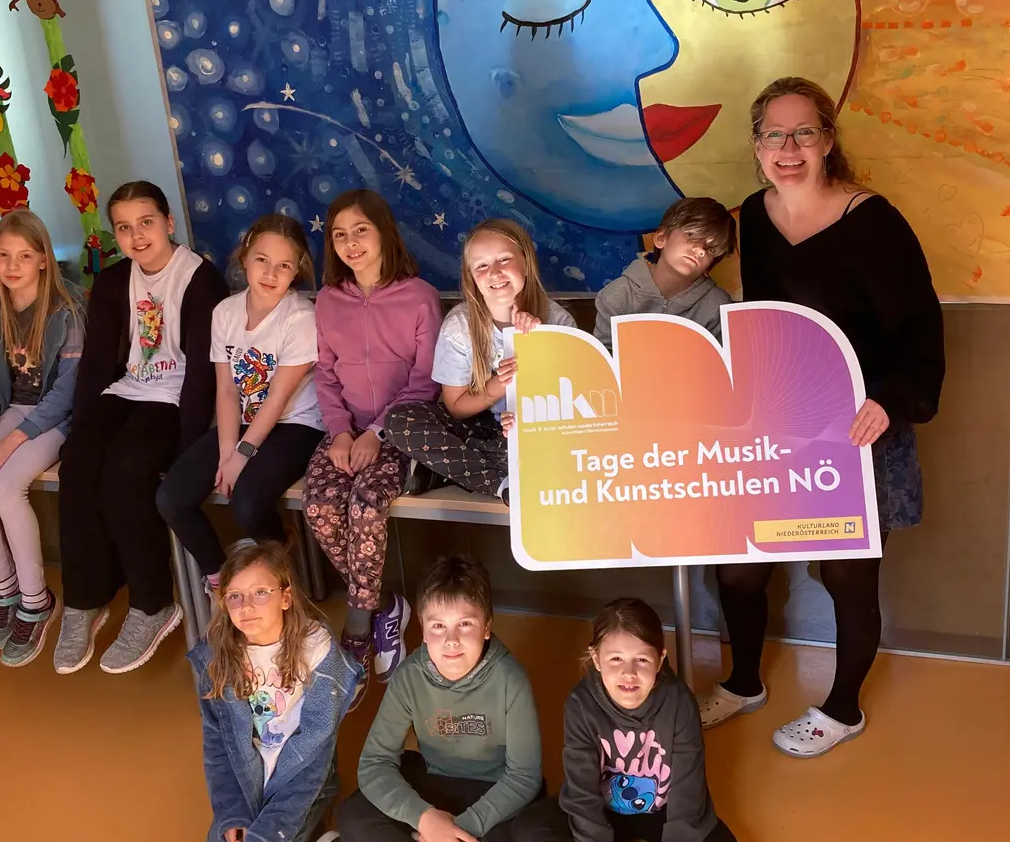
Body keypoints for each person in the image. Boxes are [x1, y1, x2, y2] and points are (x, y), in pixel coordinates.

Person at [698, 75, 945, 756]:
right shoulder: (754, 217)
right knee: (741, 567)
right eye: (774, 135)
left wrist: (891, 402)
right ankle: (744, 682)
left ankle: (843, 709)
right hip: (781, 421)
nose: (789, 148)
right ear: (757, 146)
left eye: (803, 132)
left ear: (828, 140)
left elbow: (920, 330)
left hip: (861, 425)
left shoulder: (875, 222)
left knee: (846, 574)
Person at [303, 556, 540, 842]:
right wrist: (425, 819)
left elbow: (524, 777)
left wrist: (461, 827)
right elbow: (375, 763)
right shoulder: (410, 677)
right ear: (423, 630)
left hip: (493, 794)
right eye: (437, 627)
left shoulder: (511, 680)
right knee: (353, 815)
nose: (451, 641)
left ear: (487, 627)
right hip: (435, 783)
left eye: (465, 625)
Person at [53, 181, 227, 676]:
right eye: (124, 228)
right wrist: (84, 427)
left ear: (169, 223)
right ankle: (84, 600)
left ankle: (153, 605)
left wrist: (187, 447)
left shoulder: (200, 280)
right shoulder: (113, 281)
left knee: (126, 472)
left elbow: (202, 375)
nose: (137, 235)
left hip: (174, 399)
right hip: (127, 390)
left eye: (146, 222)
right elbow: (96, 364)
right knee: (78, 462)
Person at [513, 597, 742, 842]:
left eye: (642, 660)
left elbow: (688, 802)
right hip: (604, 809)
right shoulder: (581, 704)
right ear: (596, 659)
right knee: (528, 831)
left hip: (662, 810)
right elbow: (582, 800)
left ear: (661, 660)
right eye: (616, 659)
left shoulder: (679, 703)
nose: (629, 673)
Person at [301, 189, 441, 692]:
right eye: (339, 234)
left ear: (384, 232)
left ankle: (358, 627)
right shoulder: (328, 300)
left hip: (401, 429)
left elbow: (425, 382)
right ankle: (385, 604)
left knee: (365, 504)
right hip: (345, 431)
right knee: (319, 505)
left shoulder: (420, 296)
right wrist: (341, 432)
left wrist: (379, 432)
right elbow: (324, 374)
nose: (350, 243)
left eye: (360, 230)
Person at [191, 539, 358, 842]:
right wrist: (232, 812)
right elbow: (217, 746)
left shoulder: (319, 653)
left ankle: (314, 823)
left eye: (260, 592)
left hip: (299, 783)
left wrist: (277, 825)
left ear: (285, 597)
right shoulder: (216, 656)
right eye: (234, 596)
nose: (246, 606)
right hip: (248, 782)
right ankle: (269, 827)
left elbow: (315, 752)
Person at [157, 214, 323, 593]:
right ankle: (225, 582)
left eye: (284, 265)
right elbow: (227, 390)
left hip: (296, 426)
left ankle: (278, 556)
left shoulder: (300, 318)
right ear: (245, 257)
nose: (271, 273)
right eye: (262, 259)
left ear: (296, 270)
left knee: (246, 502)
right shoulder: (225, 312)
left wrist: (241, 455)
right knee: (171, 498)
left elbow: (278, 397)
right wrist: (226, 450)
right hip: (245, 422)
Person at [0, 211, 83, 667]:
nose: (12, 265)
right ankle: (6, 590)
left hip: (57, 419)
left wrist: (10, 444)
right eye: (3, 255)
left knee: (8, 488)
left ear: (43, 259)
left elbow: (67, 393)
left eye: (24, 256)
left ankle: (36, 600)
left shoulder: (67, 311)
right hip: (12, 412)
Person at [384, 218, 574, 503]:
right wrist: (498, 386)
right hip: (483, 424)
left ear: (526, 262)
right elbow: (457, 407)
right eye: (481, 266)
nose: (494, 272)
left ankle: (446, 470)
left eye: (504, 259)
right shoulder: (459, 326)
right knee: (400, 420)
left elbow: (574, 401)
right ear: (471, 276)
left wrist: (539, 341)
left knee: (555, 453)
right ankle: (502, 484)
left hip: (539, 430)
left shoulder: (557, 321)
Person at [593, 196, 735, 347]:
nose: (700, 250)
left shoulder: (718, 306)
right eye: (692, 235)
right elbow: (604, 355)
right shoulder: (618, 295)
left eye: (711, 249)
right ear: (661, 239)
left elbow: (719, 358)